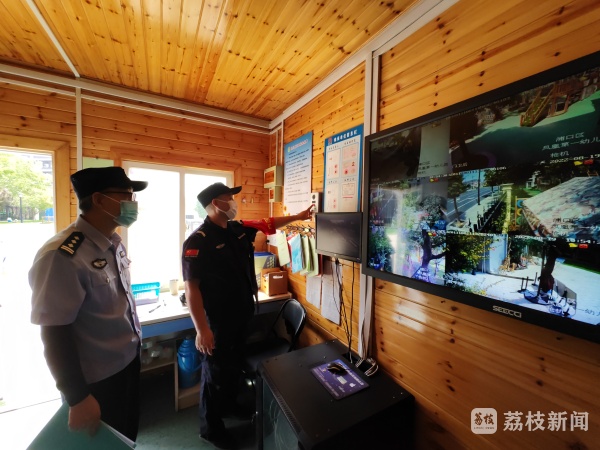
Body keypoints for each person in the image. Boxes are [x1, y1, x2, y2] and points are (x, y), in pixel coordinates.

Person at [182, 182, 313, 447]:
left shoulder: (238, 228)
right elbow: (191, 288)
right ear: (215, 204)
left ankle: (230, 406)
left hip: (241, 313)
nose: (233, 202)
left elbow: (269, 222)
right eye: (228, 197)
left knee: (232, 366)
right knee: (214, 374)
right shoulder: (197, 241)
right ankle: (211, 429)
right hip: (217, 321)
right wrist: (201, 329)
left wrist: (299, 216)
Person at [29, 166, 148, 441]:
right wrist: (77, 396)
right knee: (100, 444)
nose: (133, 203)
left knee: (126, 438)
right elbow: (54, 332)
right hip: (97, 381)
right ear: (99, 200)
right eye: (127, 196)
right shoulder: (62, 255)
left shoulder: (113, 243)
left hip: (128, 364)